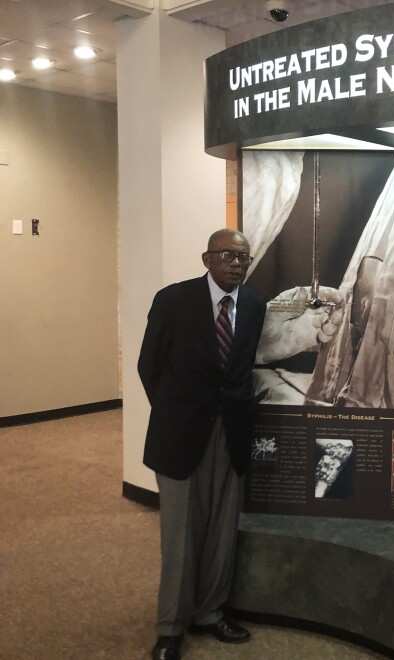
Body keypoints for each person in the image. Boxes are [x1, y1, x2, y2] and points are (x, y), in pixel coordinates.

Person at [138, 229, 266, 660]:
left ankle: (211, 613)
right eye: (227, 255)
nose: (236, 263)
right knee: (180, 535)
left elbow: (241, 367)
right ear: (206, 259)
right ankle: (170, 628)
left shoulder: (253, 305)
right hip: (181, 433)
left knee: (221, 530)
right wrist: (179, 411)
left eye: (243, 257)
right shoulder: (173, 300)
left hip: (231, 430)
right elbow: (149, 365)